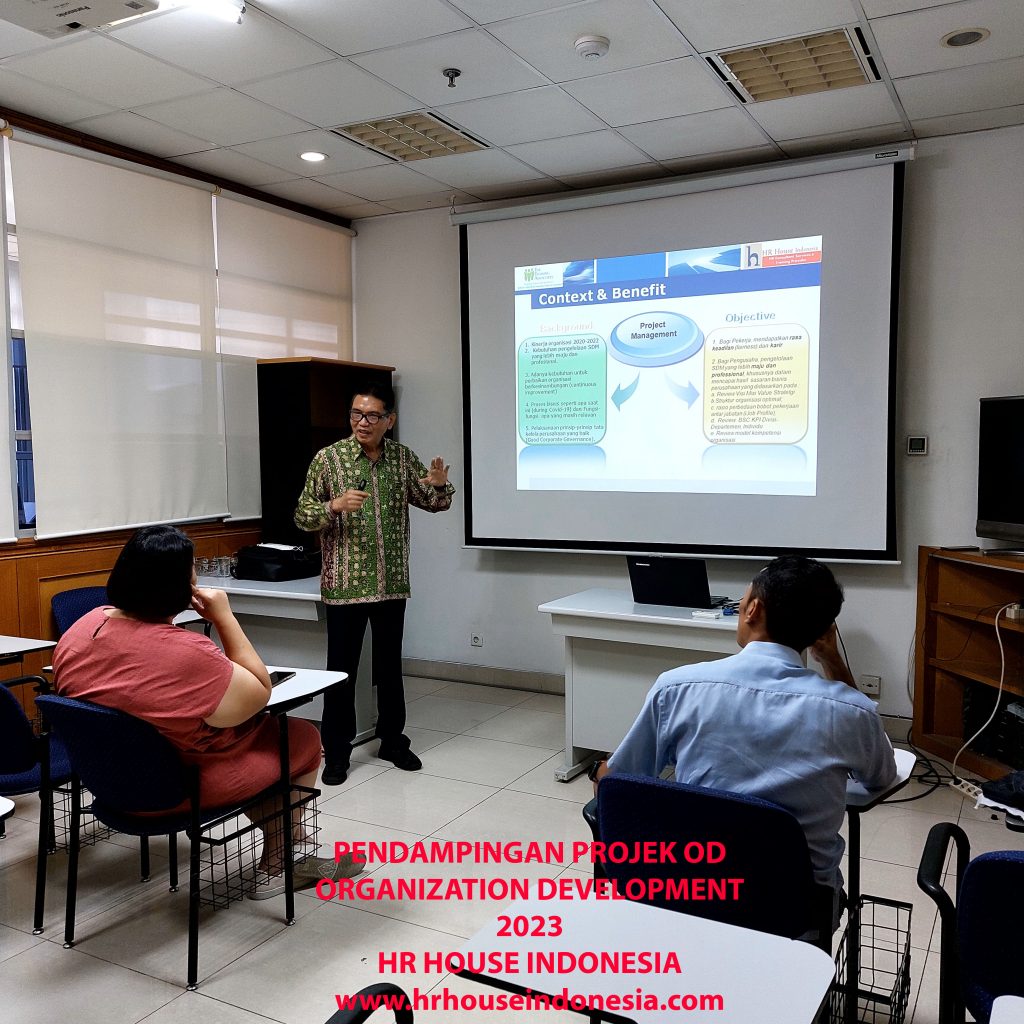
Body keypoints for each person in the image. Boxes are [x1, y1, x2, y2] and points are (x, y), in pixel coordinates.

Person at [51, 525, 359, 899]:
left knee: (259, 740)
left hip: (107, 782)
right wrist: (225, 617)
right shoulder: (185, 653)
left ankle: (292, 842)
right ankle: (282, 860)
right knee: (300, 737)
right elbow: (258, 692)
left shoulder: (83, 627)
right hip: (177, 787)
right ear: (181, 587)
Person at [594, 554, 897, 911]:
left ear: (753, 609)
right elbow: (881, 777)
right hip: (795, 912)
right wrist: (832, 660)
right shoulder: (851, 711)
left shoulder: (676, 688)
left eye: (743, 599)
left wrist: (599, 772)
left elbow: (617, 782)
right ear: (821, 632)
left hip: (693, 895)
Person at [294, 380, 454, 785]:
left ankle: (392, 741)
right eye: (356, 414)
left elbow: (435, 503)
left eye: (371, 415)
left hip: (391, 583)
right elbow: (302, 515)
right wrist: (334, 505)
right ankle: (337, 752)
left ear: (389, 420)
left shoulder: (402, 459)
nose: (362, 422)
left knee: (389, 668)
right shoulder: (329, 459)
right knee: (341, 671)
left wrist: (438, 485)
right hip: (345, 584)